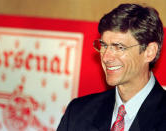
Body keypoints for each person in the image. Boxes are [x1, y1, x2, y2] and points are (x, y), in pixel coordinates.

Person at [57, 3, 166, 131]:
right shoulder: (77, 113)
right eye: (103, 45)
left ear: (149, 52)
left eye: (119, 47)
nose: (106, 57)